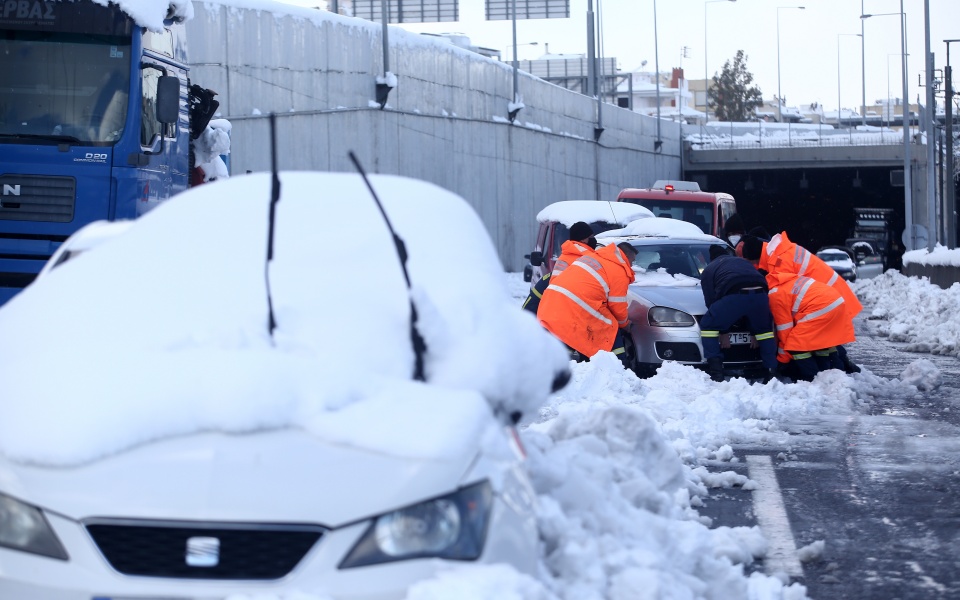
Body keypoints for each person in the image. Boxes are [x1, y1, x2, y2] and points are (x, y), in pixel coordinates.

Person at [742, 232, 861, 375]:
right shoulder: (778, 252)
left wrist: (782, 359)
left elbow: (785, 323)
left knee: (801, 342)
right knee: (824, 340)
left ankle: (832, 371)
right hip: (830, 294)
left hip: (823, 300)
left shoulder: (779, 264)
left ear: (754, 259)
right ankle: (838, 370)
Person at [537, 242, 637, 361]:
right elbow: (617, 305)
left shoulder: (592, 257)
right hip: (573, 307)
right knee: (611, 330)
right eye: (632, 261)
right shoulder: (618, 271)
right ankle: (619, 367)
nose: (632, 265)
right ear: (627, 256)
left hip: (551, 304)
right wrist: (625, 324)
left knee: (565, 345)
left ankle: (576, 367)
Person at [699, 244, 779, 383]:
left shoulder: (710, 269)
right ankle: (771, 372)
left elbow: (712, 301)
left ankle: (716, 372)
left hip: (735, 295)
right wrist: (754, 331)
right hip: (761, 295)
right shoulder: (742, 261)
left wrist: (723, 331)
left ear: (711, 258)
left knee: (708, 326)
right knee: (765, 332)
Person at [765, 271, 856, 381]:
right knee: (822, 344)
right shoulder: (785, 281)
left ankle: (811, 377)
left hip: (822, 308)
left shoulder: (775, 295)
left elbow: (785, 332)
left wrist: (781, 362)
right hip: (836, 302)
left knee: (795, 344)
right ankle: (835, 372)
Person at [522, 222, 597, 314]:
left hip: (557, 311)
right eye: (592, 237)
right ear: (583, 239)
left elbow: (529, 309)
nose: (594, 240)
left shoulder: (564, 256)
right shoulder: (589, 260)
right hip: (574, 311)